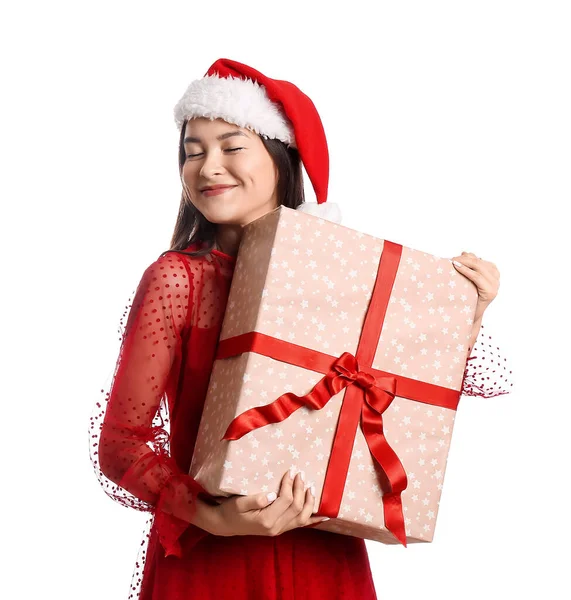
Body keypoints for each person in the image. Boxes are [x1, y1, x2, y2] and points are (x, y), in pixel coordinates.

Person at [89, 58, 513, 600]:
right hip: (212, 564)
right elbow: (122, 444)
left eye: (231, 146)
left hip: (326, 552)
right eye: (193, 152)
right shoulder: (179, 279)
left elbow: (412, 391)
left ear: (279, 156)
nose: (208, 166)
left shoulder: (338, 273)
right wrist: (214, 518)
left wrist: (468, 309)